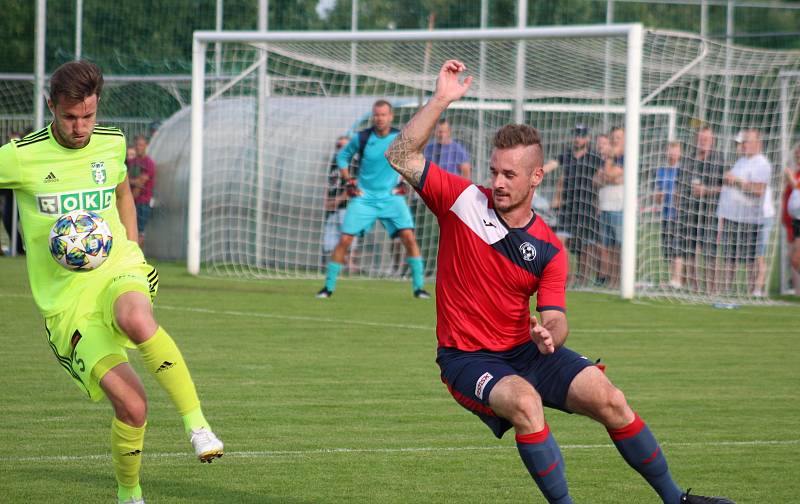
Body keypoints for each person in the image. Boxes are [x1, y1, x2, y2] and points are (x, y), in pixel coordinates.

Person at [385, 59, 734, 504]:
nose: (497, 182)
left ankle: (675, 499)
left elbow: (555, 318)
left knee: (610, 398)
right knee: (526, 404)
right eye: (494, 171)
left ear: (536, 177)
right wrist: (441, 100)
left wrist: (547, 336)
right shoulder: (460, 200)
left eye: (509, 175)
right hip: (466, 358)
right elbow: (400, 155)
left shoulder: (549, 249)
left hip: (526, 351)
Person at [0, 61, 223, 504]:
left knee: (136, 317)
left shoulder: (112, 143)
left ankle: (197, 425)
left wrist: (134, 250)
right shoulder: (21, 156)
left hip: (118, 267)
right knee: (133, 407)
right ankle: (129, 494)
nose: (80, 127)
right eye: (69, 117)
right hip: (67, 304)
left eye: (88, 115)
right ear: (51, 107)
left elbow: (122, 192)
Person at [316, 99, 430, 299]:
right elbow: (342, 157)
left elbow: (415, 157)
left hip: (391, 198)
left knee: (409, 238)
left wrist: (405, 180)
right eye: (376, 115)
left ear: (390, 116)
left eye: (383, 114)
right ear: (373, 116)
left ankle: (419, 288)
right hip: (364, 198)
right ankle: (328, 288)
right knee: (344, 240)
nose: (380, 118)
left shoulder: (399, 137)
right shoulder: (362, 137)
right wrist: (349, 181)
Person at [716, 129, 772, 296]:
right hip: (734, 216)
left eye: (747, 141)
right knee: (729, 256)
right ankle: (726, 290)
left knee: (752, 258)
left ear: (758, 143)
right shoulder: (741, 161)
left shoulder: (762, 163)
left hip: (751, 217)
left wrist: (737, 181)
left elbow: (758, 190)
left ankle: (754, 291)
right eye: (744, 141)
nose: (744, 144)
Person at [547, 123, 603, 284]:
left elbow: (601, 176)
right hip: (568, 205)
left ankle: (583, 279)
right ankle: (565, 277)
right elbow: (552, 165)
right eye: (577, 135)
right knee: (560, 241)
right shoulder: (567, 155)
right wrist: (533, 173)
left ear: (588, 137)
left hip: (587, 206)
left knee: (586, 245)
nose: (579, 138)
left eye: (582, 135)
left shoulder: (594, 157)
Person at [675, 126, 725, 292]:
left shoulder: (719, 160)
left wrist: (706, 191)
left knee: (710, 252)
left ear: (712, 141)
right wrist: (678, 203)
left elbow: (725, 188)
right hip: (689, 213)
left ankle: (712, 289)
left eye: (707, 139)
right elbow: (679, 185)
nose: (703, 142)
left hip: (711, 213)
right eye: (701, 139)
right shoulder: (688, 160)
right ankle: (694, 288)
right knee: (689, 252)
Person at [322, 135, 360, 270]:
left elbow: (354, 185)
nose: (340, 148)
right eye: (338, 146)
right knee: (330, 242)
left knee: (348, 238)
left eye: (344, 146)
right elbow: (330, 183)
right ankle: (342, 266)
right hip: (333, 208)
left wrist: (338, 201)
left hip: (348, 207)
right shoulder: (334, 161)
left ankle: (351, 266)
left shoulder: (353, 162)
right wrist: (326, 200)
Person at [595, 126, 625, 287]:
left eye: (618, 137)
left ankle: (620, 280)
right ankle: (611, 280)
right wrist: (609, 176)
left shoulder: (625, 157)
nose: (614, 140)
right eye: (613, 137)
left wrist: (607, 173)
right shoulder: (606, 157)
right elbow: (596, 180)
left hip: (619, 208)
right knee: (606, 247)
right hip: (604, 206)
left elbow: (611, 175)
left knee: (620, 247)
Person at [655, 142, 683, 288]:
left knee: (677, 247)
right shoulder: (661, 171)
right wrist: (659, 196)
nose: (672, 154)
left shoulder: (682, 170)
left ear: (680, 153)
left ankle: (677, 280)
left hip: (678, 215)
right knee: (668, 248)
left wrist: (678, 198)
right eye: (670, 151)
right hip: (665, 214)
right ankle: (673, 279)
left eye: (675, 151)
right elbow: (657, 195)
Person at [126, 135, 156, 248]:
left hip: (142, 202)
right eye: (137, 145)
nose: (139, 147)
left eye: (141, 145)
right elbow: (125, 179)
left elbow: (140, 183)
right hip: (131, 201)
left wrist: (131, 182)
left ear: (146, 146)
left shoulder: (149, 163)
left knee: (140, 231)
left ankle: (139, 257)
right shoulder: (131, 162)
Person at [781, 143, 800, 295]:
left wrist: (791, 179)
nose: (797, 155)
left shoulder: (795, 176)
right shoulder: (797, 173)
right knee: (793, 259)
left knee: (795, 257)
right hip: (795, 221)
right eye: (797, 153)